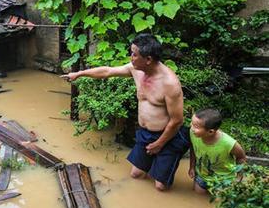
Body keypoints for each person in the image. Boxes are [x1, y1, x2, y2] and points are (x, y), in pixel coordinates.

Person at [61, 33, 190, 191]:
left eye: (134, 54)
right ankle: (156, 164)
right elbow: (107, 71)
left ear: (148, 59)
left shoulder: (169, 83)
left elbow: (177, 121)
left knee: (160, 187)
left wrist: (159, 144)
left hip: (168, 136)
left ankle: (162, 164)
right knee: (136, 175)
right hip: (145, 133)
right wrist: (79, 74)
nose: (131, 57)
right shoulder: (137, 70)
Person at [188, 108, 246, 194]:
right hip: (201, 176)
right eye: (192, 123)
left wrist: (238, 178)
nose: (191, 127)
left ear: (210, 132)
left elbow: (241, 158)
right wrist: (192, 167)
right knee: (198, 197)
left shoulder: (229, 143)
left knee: (219, 202)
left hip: (223, 180)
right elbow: (193, 148)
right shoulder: (194, 134)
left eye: (195, 126)